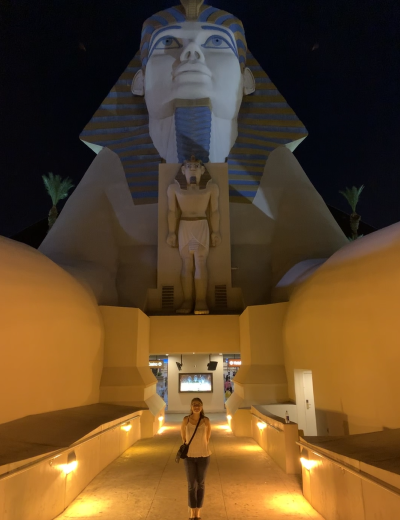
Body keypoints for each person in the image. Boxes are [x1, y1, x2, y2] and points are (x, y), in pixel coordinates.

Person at [167, 156, 221, 315]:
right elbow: (172, 212)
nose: (192, 168)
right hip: (184, 226)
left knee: (201, 262)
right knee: (187, 264)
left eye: (196, 166)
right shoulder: (173, 189)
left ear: (202, 170)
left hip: (201, 226)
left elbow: (214, 211)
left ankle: (201, 301)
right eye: (189, 166)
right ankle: (187, 300)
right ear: (183, 170)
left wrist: (215, 231)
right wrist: (171, 232)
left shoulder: (211, 188)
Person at [180, 397, 211, 520]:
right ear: (191, 407)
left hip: (204, 456)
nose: (196, 406)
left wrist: (201, 446)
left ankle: (198, 512)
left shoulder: (206, 421)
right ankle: (192, 513)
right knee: (191, 485)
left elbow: (207, 438)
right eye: (194, 404)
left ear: (202, 407)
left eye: (198, 404)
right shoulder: (186, 420)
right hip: (189, 457)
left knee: (201, 484)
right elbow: (183, 436)